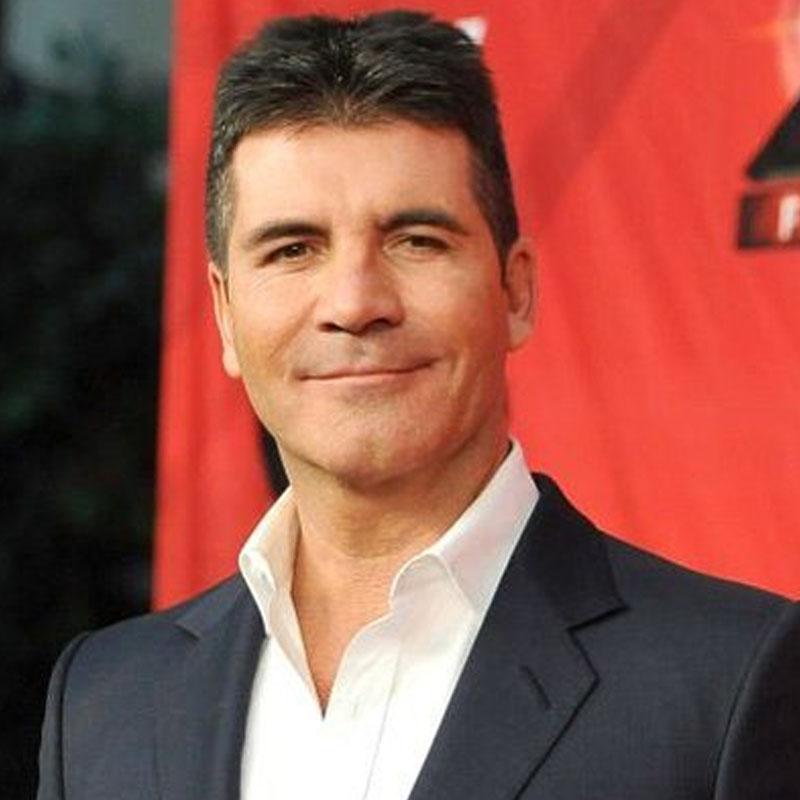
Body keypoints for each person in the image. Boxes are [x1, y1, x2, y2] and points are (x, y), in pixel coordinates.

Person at [38, 10, 800, 800]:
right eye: (293, 249)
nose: (355, 303)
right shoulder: (104, 701)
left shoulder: (729, 683)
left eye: (415, 241)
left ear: (515, 291)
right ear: (226, 316)